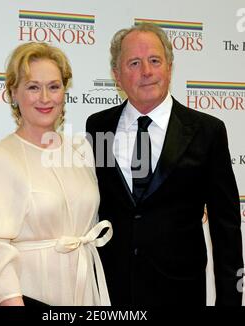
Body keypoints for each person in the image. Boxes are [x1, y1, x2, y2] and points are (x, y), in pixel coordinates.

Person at [86, 23, 243, 306]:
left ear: (169, 67)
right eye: (134, 63)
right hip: (112, 293)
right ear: (116, 76)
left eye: (155, 61)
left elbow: (226, 229)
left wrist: (230, 301)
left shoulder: (207, 131)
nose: (146, 71)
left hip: (180, 294)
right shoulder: (98, 127)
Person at [0, 42, 112, 306]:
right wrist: (12, 301)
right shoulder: (3, 156)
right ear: (14, 93)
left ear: (64, 91)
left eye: (54, 86)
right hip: (29, 292)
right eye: (33, 87)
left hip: (83, 289)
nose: (45, 98)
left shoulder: (81, 149)